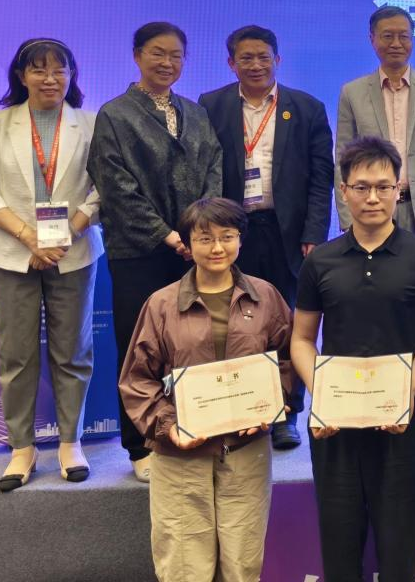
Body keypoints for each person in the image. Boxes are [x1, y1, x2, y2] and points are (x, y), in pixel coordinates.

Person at [290, 136, 415, 582]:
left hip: (400, 418)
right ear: (344, 191)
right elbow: (301, 339)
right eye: (361, 187)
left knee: (399, 545)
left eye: (383, 187)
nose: (373, 197)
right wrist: (322, 396)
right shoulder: (320, 261)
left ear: (399, 189)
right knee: (340, 544)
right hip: (335, 423)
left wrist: (407, 389)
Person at [118, 197, 292, 582]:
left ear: (240, 239)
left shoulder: (266, 297)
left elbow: (287, 360)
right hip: (180, 456)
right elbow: (137, 379)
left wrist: (272, 404)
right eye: (205, 238)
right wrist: (168, 426)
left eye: (227, 236)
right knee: (185, 568)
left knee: (242, 566)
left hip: (245, 451)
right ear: (188, 244)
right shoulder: (161, 305)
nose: (217, 248)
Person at [88, 21, 222, 481]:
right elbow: (115, 185)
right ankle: (140, 443)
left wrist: (201, 230)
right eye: (157, 53)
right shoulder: (115, 114)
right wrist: (168, 235)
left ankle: (196, 427)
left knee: (195, 342)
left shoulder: (196, 112)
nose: (167, 63)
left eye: (176, 55)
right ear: (137, 56)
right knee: (139, 348)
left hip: (194, 250)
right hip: (140, 251)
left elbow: (214, 166)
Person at [0, 38, 102, 489]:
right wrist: (29, 236)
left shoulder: (90, 123)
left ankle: (70, 442)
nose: (50, 79)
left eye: (59, 70)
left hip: (73, 251)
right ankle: (22, 448)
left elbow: (104, 186)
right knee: (16, 354)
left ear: (72, 75)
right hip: (11, 253)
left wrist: (71, 231)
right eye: (39, 70)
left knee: (73, 352)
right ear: (21, 75)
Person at [199, 25, 334, 450]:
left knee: (287, 323)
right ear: (231, 63)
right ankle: (241, 408)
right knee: (233, 321)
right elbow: (203, 170)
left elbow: (321, 178)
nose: (256, 65)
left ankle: (286, 413)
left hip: (287, 231)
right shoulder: (211, 106)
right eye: (246, 58)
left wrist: (314, 232)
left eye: (263, 57)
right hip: (231, 231)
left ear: (278, 59)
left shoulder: (306, 108)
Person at [336, 6, 415, 244]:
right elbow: (342, 159)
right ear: (372, 39)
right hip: (371, 207)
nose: (396, 43)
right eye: (387, 36)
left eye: (404, 36)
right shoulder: (352, 92)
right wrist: (347, 215)